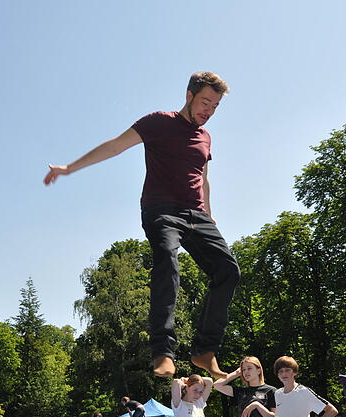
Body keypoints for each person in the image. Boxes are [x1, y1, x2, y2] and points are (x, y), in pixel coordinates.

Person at [44, 71, 240, 379]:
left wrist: (210, 215)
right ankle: (163, 351)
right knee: (167, 261)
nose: (208, 111)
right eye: (205, 102)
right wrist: (70, 168)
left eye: (215, 106)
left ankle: (204, 351)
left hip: (197, 214)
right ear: (189, 96)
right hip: (161, 210)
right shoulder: (158, 122)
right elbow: (115, 146)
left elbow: (203, 178)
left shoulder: (205, 137)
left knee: (228, 270)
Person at [272, 356, 338, 417]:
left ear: (294, 372)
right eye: (280, 371)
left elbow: (332, 411)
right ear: (277, 374)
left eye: (287, 370)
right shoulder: (278, 394)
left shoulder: (303, 391)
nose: (284, 373)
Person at [213, 356, 277, 417]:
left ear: (258, 371)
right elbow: (217, 385)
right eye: (243, 369)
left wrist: (257, 405)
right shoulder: (241, 391)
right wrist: (236, 373)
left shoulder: (271, 391)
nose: (246, 372)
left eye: (249, 368)